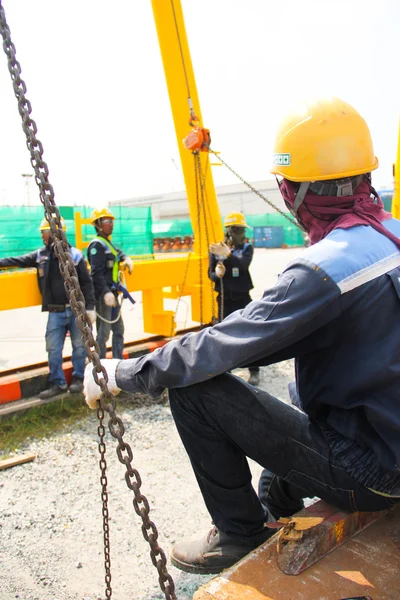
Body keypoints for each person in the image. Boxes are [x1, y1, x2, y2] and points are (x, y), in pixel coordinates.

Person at [83, 97, 400, 575]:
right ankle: (270, 511)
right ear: (364, 176)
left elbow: (215, 349)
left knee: (194, 388)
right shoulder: (390, 237)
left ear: (292, 191)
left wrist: (122, 373)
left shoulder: (323, 270)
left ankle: (238, 532)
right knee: (274, 488)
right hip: (385, 442)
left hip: (374, 472)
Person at [0, 218, 96, 399]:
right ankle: (57, 383)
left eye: (44, 232)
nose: (42, 236)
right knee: (53, 348)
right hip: (55, 312)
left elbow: (87, 283)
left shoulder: (74, 256)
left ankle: (78, 380)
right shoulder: (40, 256)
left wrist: (90, 307)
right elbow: (16, 260)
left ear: (56, 233)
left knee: (79, 347)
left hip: (76, 311)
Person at [208, 212, 260, 385]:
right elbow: (210, 273)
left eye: (242, 231)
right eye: (238, 230)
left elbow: (243, 266)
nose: (242, 234)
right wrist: (216, 274)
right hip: (225, 298)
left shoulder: (246, 248)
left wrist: (229, 255)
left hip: (242, 296)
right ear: (229, 231)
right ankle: (226, 370)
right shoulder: (217, 250)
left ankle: (254, 369)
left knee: (250, 331)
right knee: (224, 333)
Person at [87, 207, 133, 359]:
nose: (111, 224)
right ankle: (98, 363)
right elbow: (96, 273)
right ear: (98, 224)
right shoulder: (97, 246)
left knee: (119, 330)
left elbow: (117, 253)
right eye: (107, 221)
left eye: (112, 221)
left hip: (113, 294)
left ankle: (117, 362)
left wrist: (126, 258)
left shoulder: (107, 244)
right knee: (103, 333)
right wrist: (106, 292)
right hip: (104, 296)